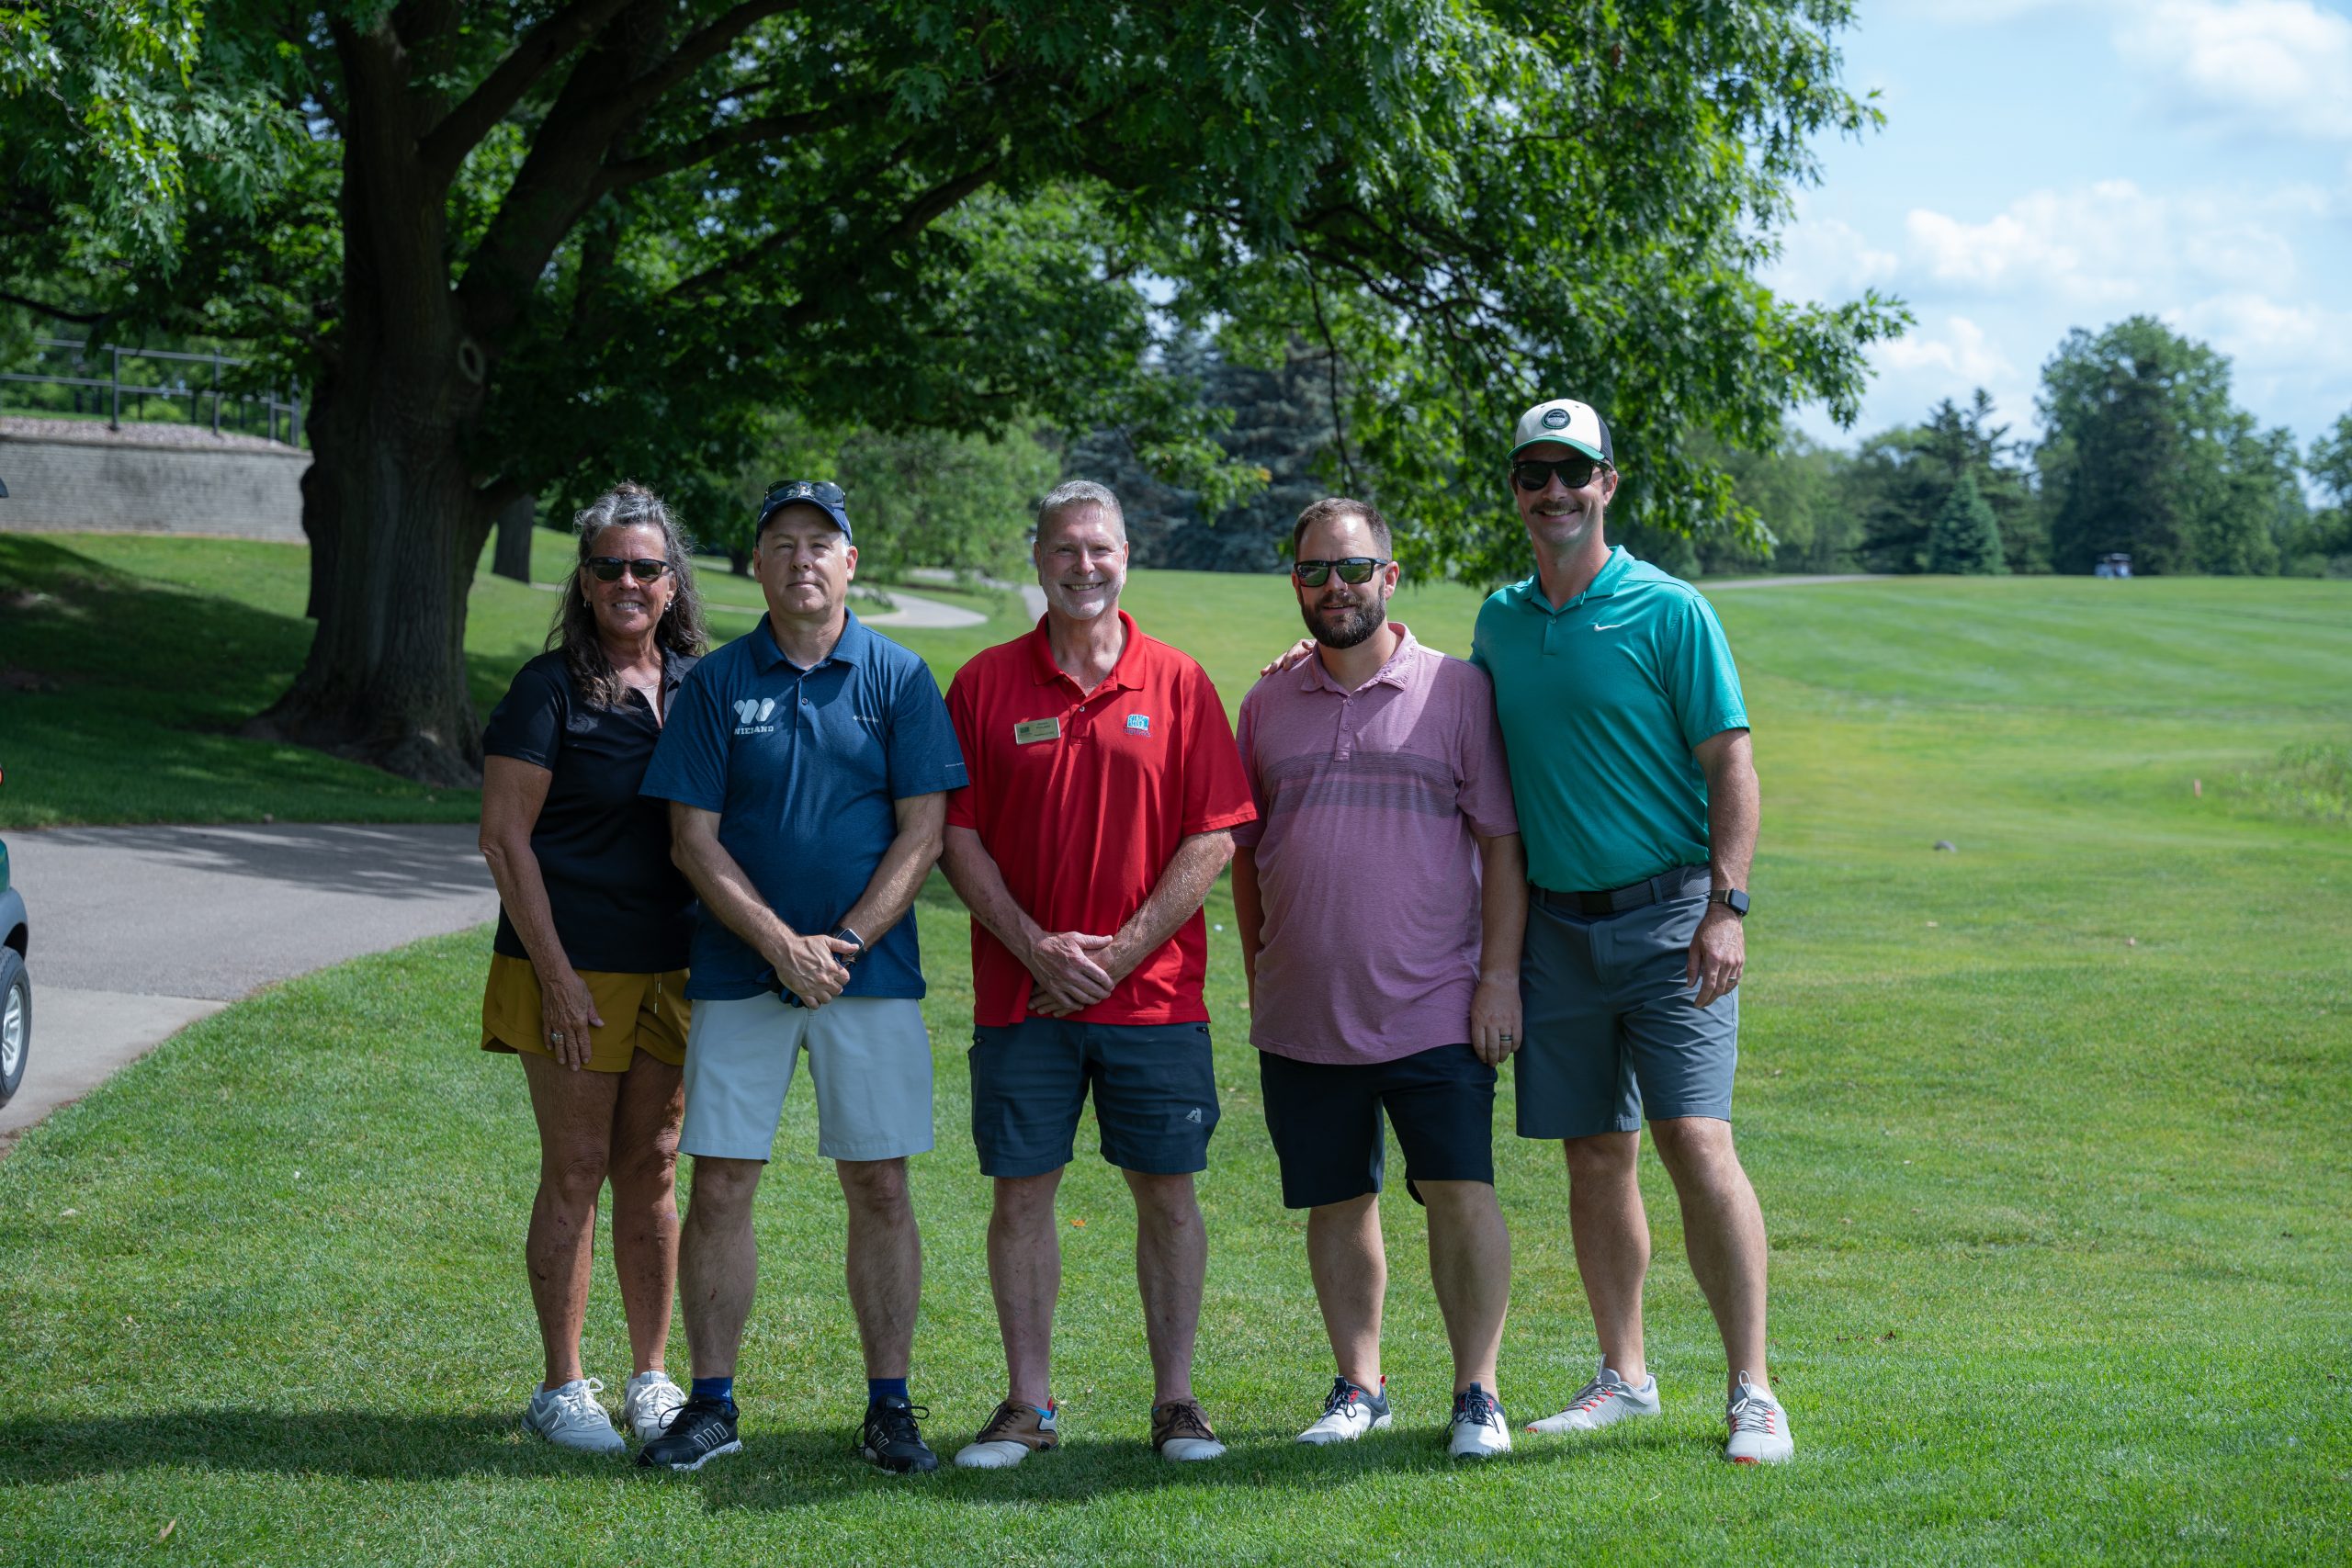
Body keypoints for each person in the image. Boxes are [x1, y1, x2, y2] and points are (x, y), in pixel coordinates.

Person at [1472, 398, 1792, 1463]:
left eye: (1574, 472)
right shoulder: (1500, 621)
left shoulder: (1668, 610)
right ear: (1515, 489)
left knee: (1696, 1140)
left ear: (1608, 483)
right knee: (1593, 1154)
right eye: (1533, 473)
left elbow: (1730, 763)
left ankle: (1752, 1388)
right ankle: (1627, 1375)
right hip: (1557, 929)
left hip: (1671, 920)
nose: (1553, 491)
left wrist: (1726, 905)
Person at [634, 479, 967, 1474]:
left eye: (821, 543)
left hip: (870, 982)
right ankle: (713, 1403)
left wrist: (844, 945)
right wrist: (783, 945)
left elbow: (926, 831)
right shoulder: (715, 683)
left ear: (850, 563)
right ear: (756, 565)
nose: (802, 559)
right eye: (781, 543)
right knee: (724, 1180)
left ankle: (890, 1408)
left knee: (879, 1185)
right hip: (741, 977)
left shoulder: (900, 678)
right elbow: (692, 841)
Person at [938, 479, 1257, 1469]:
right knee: (1021, 1198)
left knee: (1167, 1195)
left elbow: (1215, 835)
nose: (1084, 566)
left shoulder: (1180, 683)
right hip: (1022, 996)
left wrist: (1117, 953)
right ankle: (1027, 1405)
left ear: (1128, 559)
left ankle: (1177, 1405)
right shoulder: (985, 684)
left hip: (1155, 999)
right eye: (1065, 550)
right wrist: (1038, 945)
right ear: (1038, 561)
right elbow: (956, 835)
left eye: (1101, 550)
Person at [1231, 497, 1528, 1461]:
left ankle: (1476, 1392)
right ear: (1296, 585)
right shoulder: (1267, 701)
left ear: (1388, 578)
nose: (1335, 587)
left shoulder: (1457, 692)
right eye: (1316, 571)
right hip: (1305, 1010)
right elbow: (1246, 857)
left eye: (1353, 570)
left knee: (1459, 1190)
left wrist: (1498, 979)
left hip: (1436, 1002)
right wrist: (1260, 971)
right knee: (1335, 1201)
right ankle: (1358, 1385)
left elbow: (1500, 841)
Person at [477, 481, 708, 1456]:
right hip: (567, 966)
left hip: (678, 969)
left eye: (644, 567)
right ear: (582, 579)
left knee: (652, 1168)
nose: (626, 580)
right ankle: (560, 1386)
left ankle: (653, 1379)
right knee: (575, 1166)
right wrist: (558, 971)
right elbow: (503, 839)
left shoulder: (702, 684)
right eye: (608, 565)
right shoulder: (548, 688)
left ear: (670, 582)